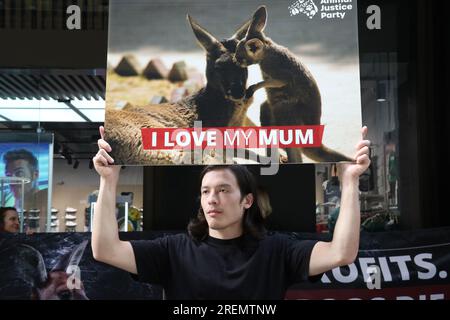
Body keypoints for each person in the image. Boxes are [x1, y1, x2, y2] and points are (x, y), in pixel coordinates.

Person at [91, 126, 371, 299]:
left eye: (223, 190)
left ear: (247, 200)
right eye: (206, 191)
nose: (212, 199)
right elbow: (105, 249)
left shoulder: (276, 251)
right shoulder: (173, 251)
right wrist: (108, 180)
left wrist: (349, 181)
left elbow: (341, 253)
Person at [3, 149, 48, 232]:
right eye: (8, 175)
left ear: (35, 175)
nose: (13, 181)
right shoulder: (10, 205)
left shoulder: (45, 199)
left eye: (19, 173)